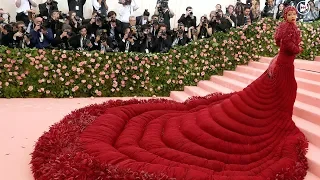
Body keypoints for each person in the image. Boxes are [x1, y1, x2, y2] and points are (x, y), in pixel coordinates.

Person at [31, 6, 308, 180]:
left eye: (295, 14)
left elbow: (282, 45)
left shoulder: (284, 29)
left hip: (281, 65)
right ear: (287, 16)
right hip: (282, 64)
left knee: (279, 94)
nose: (294, 17)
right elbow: (289, 48)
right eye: (292, 14)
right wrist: (294, 49)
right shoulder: (287, 30)